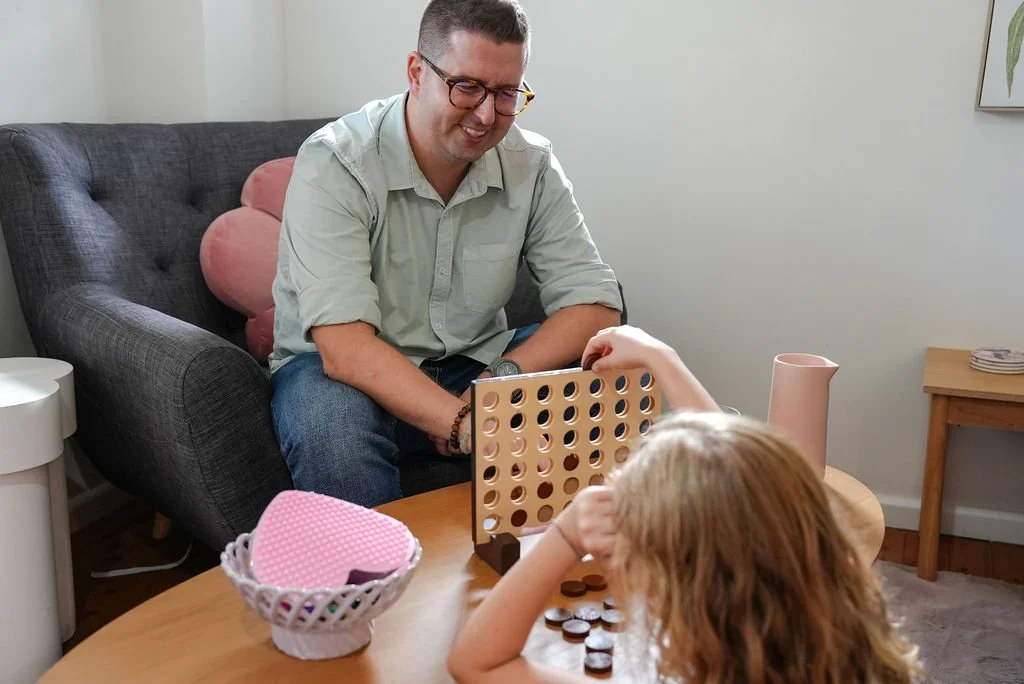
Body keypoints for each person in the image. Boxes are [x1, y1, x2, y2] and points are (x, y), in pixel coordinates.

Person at [269, 0, 622, 506]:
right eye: (468, 86)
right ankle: (376, 585)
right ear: (417, 72)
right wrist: (466, 423)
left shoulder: (533, 164)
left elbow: (596, 305)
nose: (486, 115)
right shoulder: (336, 163)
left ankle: (569, 565)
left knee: (620, 360)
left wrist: (497, 381)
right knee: (331, 431)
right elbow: (344, 347)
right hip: (339, 373)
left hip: (476, 361)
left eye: (505, 93)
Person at [447, 326, 925, 684]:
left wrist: (565, 535)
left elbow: (477, 661)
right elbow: (746, 486)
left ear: (679, 599)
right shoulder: (862, 658)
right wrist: (661, 358)